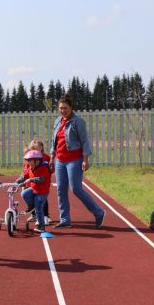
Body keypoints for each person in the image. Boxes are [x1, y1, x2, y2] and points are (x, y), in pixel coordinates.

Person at [50, 94, 105, 229]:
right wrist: (52, 157)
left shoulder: (78, 121)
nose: (63, 111)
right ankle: (65, 219)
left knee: (76, 189)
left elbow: (84, 141)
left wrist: (86, 160)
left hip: (74, 160)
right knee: (61, 190)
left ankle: (98, 212)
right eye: (61, 108)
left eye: (66, 108)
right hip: (60, 161)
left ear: (71, 107)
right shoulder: (58, 121)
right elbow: (54, 141)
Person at [16, 150, 51, 233]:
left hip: (42, 192)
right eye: (28, 161)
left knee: (39, 207)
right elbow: (24, 176)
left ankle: (41, 226)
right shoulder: (31, 168)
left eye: (30, 161)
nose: (28, 162)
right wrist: (17, 181)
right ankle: (33, 208)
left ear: (37, 160)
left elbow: (41, 179)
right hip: (34, 189)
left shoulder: (44, 168)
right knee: (24, 193)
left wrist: (30, 180)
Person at [24, 138, 51, 225]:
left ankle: (45, 216)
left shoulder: (45, 158)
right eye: (33, 148)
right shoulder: (29, 157)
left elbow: (50, 169)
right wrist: (24, 177)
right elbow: (26, 169)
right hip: (30, 181)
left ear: (42, 148)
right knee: (29, 195)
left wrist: (46, 172)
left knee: (42, 198)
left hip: (42, 182)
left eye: (37, 148)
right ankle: (33, 214)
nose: (35, 150)